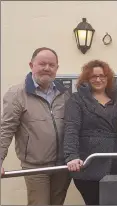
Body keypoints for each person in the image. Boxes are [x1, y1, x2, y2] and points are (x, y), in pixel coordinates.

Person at [0, 47, 71, 205]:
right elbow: (5, 130)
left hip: (62, 164)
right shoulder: (16, 94)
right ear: (31, 65)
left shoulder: (64, 93)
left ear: (57, 68)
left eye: (52, 65)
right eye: (42, 64)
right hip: (36, 167)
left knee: (57, 203)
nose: (47, 68)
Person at [63, 60, 117, 205]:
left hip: (116, 162)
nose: (98, 79)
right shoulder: (76, 99)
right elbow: (71, 128)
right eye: (93, 76)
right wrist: (71, 156)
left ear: (108, 77)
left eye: (102, 76)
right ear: (86, 79)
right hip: (89, 164)